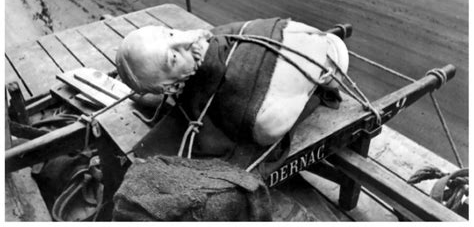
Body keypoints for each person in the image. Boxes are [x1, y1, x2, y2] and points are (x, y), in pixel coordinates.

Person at [113, 17, 349, 220]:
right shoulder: (188, 82)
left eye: (170, 32)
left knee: (265, 127)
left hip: (330, 54)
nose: (186, 39)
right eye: (173, 58)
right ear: (171, 87)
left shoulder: (263, 117)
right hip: (301, 49)